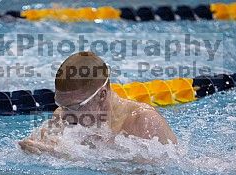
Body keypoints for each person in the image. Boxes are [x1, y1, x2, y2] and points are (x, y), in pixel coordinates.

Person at [19, 51, 177, 155]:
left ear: (101, 95)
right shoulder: (62, 114)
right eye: (61, 104)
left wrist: (68, 157)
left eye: (74, 107)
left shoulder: (143, 121)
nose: (65, 115)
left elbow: (155, 174)